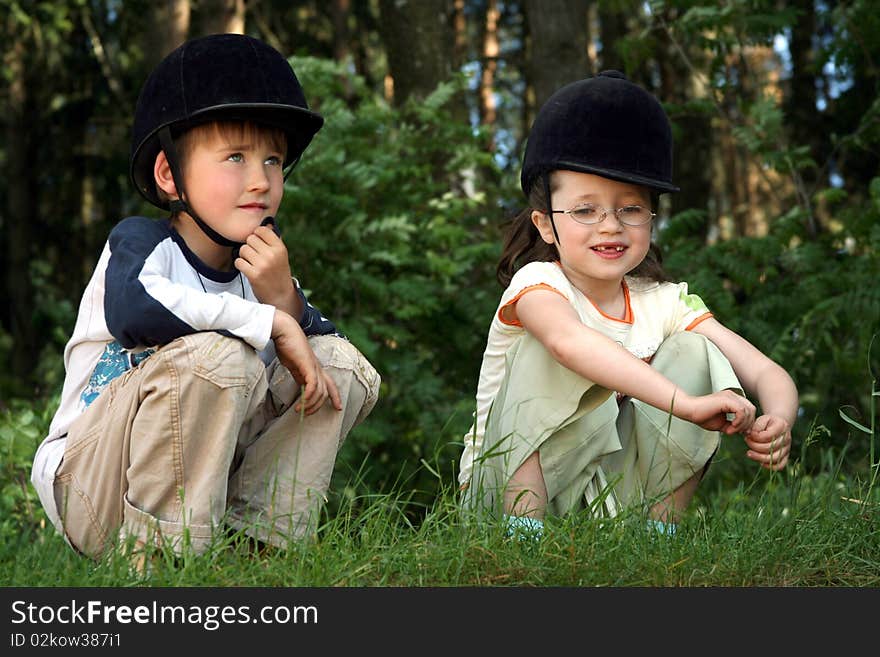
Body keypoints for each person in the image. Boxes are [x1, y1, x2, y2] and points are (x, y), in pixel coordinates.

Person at [30, 34, 380, 563]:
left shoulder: (259, 274)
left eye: (273, 160)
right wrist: (268, 322)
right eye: (235, 156)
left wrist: (283, 300)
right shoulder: (141, 246)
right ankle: (161, 566)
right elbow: (135, 312)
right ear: (170, 175)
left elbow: (322, 350)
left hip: (206, 486)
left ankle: (258, 552)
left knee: (341, 366)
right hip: (94, 484)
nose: (260, 180)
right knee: (219, 355)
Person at [460, 70, 797, 538]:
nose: (610, 225)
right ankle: (522, 540)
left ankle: (653, 537)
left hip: (606, 501)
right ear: (544, 224)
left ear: (650, 217)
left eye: (631, 209)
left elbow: (764, 372)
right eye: (584, 209)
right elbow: (568, 343)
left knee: (696, 351)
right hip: (500, 495)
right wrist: (686, 404)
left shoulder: (663, 302)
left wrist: (779, 416)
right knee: (546, 348)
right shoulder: (537, 283)